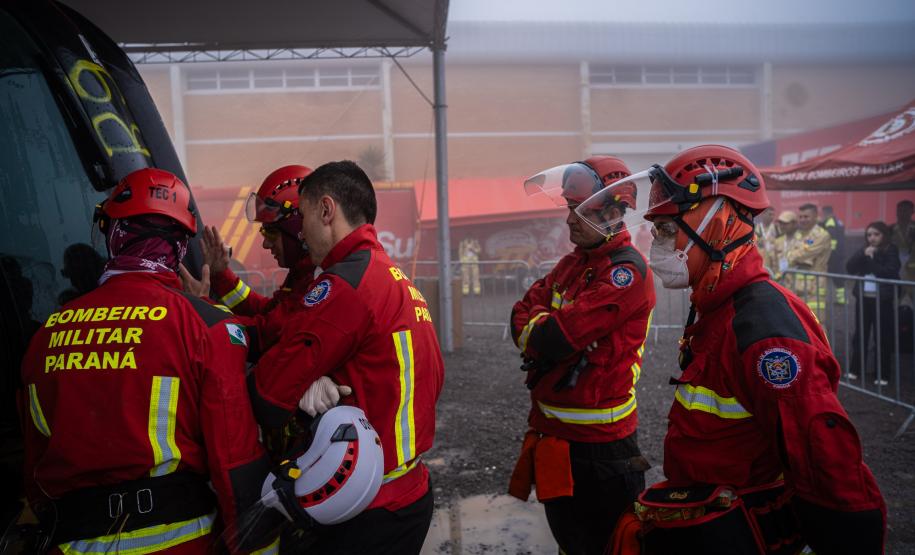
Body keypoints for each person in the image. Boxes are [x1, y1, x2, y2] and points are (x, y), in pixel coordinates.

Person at [631, 145, 884, 554]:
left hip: (748, 531)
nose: (657, 246)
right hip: (713, 524)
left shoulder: (766, 331)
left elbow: (825, 462)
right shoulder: (717, 307)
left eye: (665, 229)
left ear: (718, 224)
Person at [19, 168, 277, 553]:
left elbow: (36, 468)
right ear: (180, 245)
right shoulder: (206, 326)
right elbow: (235, 464)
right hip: (180, 541)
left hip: (71, 542)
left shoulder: (47, 334)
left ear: (113, 234)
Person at [246, 160, 444, 554]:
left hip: (363, 508)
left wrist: (296, 385)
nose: (301, 234)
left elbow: (268, 396)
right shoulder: (392, 277)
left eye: (303, 217)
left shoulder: (344, 286)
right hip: (407, 493)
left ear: (326, 210)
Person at [509, 156, 655, 555]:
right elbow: (520, 315)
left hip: (602, 451)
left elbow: (554, 339)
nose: (569, 220)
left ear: (612, 213)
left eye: (580, 211)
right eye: (570, 208)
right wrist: (546, 329)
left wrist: (545, 327)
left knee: (611, 546)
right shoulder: (573, 263)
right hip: (555, 437)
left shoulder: (625, 272)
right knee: (570, 544)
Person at [180, 165, 317, 362]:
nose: (265, 244)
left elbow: (264, 335)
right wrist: (221, 275)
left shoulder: (316, 277)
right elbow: (267, 312)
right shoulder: (303, 272)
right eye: (264, 232)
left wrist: (202, 307)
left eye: (271, 233)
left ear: (297, 229)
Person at [846, 221, 900, 386]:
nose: (872, 238)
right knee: (860, 335)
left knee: (882, 336)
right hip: (864, 299)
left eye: (876, 234)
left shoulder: (891, 250)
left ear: (884, 235)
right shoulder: (865, 249)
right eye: (869, 235)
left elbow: (888, 272)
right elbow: (850, 267)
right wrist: (862, 254)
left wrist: (870, 260)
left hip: (882, 300)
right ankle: (855, 369)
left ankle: (882, 374)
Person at [786, 203, 831, 321]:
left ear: (815, 216)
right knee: (799, 322)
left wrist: (793, 256)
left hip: (814, 288)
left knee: (817, 323)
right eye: (800, 217)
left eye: (806, 216)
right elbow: (790, 254)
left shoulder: (822, 235)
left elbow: (801, 255)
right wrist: (793, 255)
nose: (802, 220)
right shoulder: (798, 235)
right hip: (796, 287)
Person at [820, 205, 847, 305]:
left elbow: (830, 239)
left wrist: (829, 253)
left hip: (833, 255)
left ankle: (825, 298)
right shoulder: (838, 221)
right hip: (840, 253)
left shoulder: (830, 222)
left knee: (826, 276)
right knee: (839, 277)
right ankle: (841, 299)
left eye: (823, 213)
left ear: (826, 212)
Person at [889, 199, 915, 299]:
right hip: (896, 271)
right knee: (894, 301)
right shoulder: (890, 229)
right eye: (900, 210)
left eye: (905, 210)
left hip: (912, 272)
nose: (902, 213)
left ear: (912, 212)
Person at [768, 210, 798, 280]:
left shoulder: (802, 240)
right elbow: (773, 261)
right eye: (780, 223)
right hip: (780, 280)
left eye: (785, 223)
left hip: (797, 281)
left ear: (794, 224)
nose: (782, 226)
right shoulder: (777, 241)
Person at [754, 206, 777, 275]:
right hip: (758, 260)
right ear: (763, 214)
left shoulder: (777, 228)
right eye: (770, 214)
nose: (772, 217)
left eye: (773, 215)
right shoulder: (755, 228)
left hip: (772, 262)